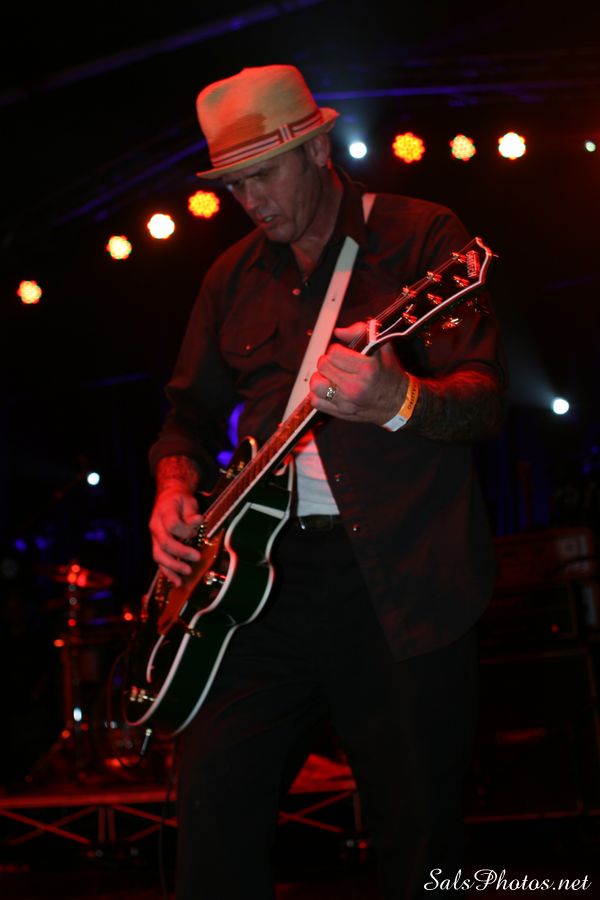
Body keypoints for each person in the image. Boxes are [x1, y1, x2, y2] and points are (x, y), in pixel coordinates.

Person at [148, 64, 506, 900]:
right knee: (212, 828)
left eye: (263, 175)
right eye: (234, 186)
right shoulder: (230, 277)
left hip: (396, 577)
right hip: (257, 591)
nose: (251, 202)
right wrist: (172, 486)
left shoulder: (422, 235)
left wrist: (395, 399)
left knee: (421, 847)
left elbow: (484, 401)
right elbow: (184, 420)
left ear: (316, 150)